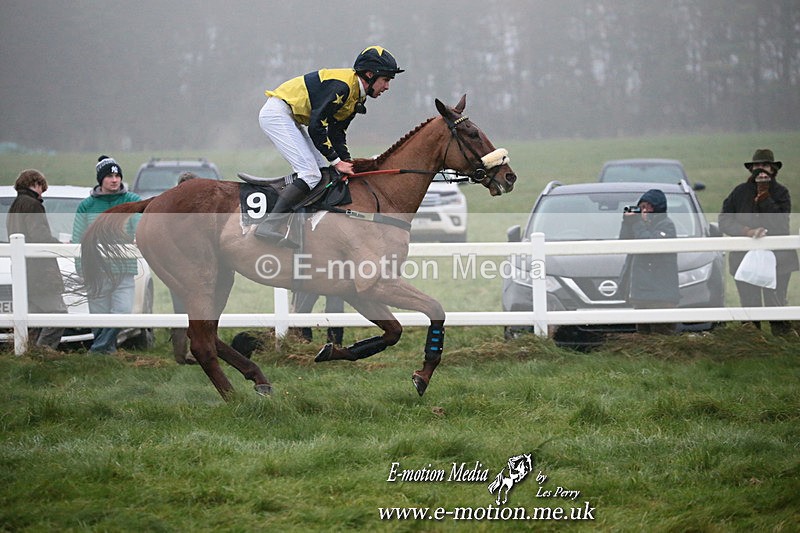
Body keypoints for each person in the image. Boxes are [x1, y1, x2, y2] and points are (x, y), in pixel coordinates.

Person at [255, 45, 404, 247]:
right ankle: (268, 225)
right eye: (385, 79)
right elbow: (316, 127)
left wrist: (347, 162)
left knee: (322, 173)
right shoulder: (342, 87)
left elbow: (336, 133)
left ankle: (298, 225)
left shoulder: (357, 94)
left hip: (292, 117)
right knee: (311, 174)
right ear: (370, 75)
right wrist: (336, 161)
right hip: (277, 114)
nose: (387, 86)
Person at [719, 149, 798, 336]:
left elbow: (780, 224)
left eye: (764, 165)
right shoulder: (739, 192)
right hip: (744, 259)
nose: (760, 170)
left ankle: (781, 342)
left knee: (776, 304)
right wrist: (746, 231)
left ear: (773, 169)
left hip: (778, 260)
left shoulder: (781, 193)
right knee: (749, 305)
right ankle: (752, 343)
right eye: (756, 166)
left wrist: (764, 198)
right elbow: (724, 220)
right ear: (751, 169)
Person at [72, 156, 142, 354]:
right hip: (96, 270)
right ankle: (106, 353)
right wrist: (81, 268)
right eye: (110, 176)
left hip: (124, 269)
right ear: (100, 179)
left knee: (122, 312)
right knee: (99, 316)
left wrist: (138, 235)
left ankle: (97, 350)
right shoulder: (86, 206)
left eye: (117, 175)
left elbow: (138, 221)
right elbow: (78, 239)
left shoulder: (132, 201)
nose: (114, 180)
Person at [6, 169, 67, 351]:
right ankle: (42, 352)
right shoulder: (33, 205)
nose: (42, 193)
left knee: (33, 320)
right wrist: (61, 246)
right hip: (40, 271)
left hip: (23, 271)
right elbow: (40, 236)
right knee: (59, 315)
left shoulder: (15, 205)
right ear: (36, 184)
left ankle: (29, 354)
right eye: (42, 188)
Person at [618, 189, 680, 334]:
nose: (644, 210)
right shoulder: (638, 225)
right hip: (641, 293)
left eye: (648, 207)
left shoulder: (666, 225)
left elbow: (649, 246)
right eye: (642, 207)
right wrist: (627, 222)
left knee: (662, 337)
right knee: (643, 336)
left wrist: (637, 223)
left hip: (661, 294)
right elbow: (624, 242)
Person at [168, 172, 198, 364]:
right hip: (180, 271)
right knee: (183, 312)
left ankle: (194, 352)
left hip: (195, 270)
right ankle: (182, 354)